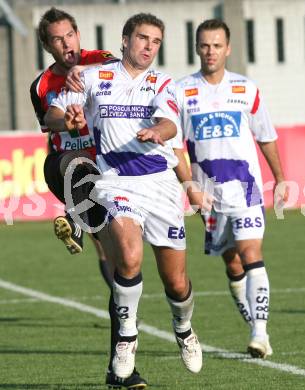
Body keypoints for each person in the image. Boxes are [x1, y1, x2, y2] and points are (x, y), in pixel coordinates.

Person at [44, 12, 203, 380]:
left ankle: (184, 329)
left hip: (159, 184)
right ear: (125, 40)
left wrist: (158, 132)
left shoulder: (163, 82)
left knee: (176, 283)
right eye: (143, 38)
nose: (149, 47)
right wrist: (65, 119)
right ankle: (126, 338)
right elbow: (52, 115)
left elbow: (170, 123)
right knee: (128, 257)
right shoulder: (92, 76)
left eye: (156, 42)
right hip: (116, 182)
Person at [30, 7, 147, 388]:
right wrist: (67, 119)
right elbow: (48, 118)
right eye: (57, 40)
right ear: (47, 46)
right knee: (72, 163)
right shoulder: (43, 85)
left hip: (115, 179)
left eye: (70, 36)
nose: (67, 45)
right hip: (71, 171)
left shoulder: (104, 62)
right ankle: (77, 224)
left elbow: (131, 85)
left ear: (79, 34)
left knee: (122, 276)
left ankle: (120, 370)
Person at [175, 18, 289, 359]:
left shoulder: (246, 89)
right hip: (209, 196)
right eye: (205, 45)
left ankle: (259, 332)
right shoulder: (181, 91)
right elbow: (174, 147)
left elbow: (265, 135)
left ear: (229, 49)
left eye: (217, 45)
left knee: (251, 254)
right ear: (197, 48)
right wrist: (190, 187)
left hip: (247, 190)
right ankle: (255, 325)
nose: (211, 51)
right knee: (233, 265)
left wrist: (281, 178)